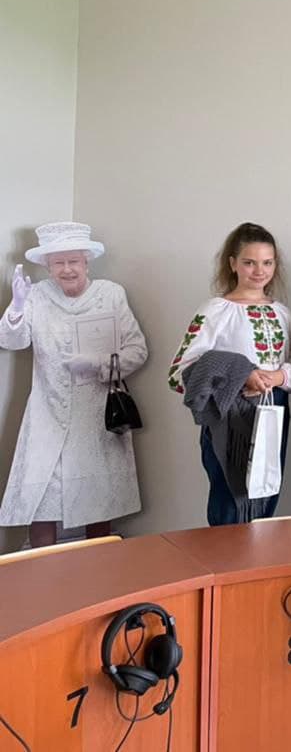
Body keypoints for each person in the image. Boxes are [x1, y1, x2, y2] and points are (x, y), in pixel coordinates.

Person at [0, 222, 148, 548]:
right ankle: (41, 567)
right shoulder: (37, 296)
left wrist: (97, 364)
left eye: (73, 261)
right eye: (58, 262)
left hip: (97, 412)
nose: (67, 269)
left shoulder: (111, 294)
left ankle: (96, 565)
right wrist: (18, 307)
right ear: (47, 266)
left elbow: (137, 351)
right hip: (47, 409)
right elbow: (12, 341)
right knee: (41, 494)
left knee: (99, 495)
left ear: (86, 262)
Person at [170, 222, 291, 525]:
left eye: (267, 263)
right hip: (229, 415)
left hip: (274, 410)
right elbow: (179, 372)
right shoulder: (216, 310)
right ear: (232, 263)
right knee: (229, 497)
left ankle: (259, 556)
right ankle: (224, 555)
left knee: (265, 492)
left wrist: (279, 377)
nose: (259, 271)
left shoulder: (282, 313)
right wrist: (241, 374)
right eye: (250, 262)